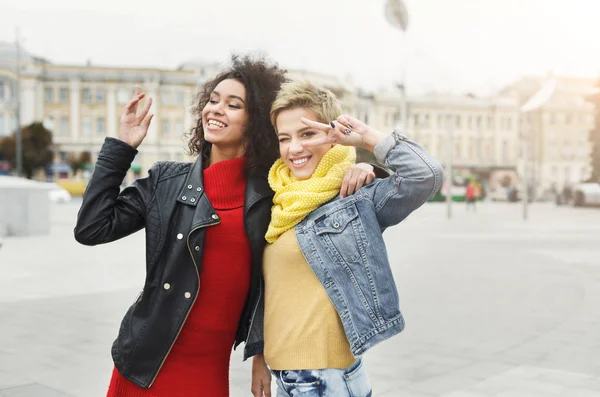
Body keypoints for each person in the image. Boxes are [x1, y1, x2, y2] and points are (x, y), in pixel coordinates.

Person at [73, 56, 377, 397]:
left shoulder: (274, 192)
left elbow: (270, 282)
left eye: (233, 105)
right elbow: (91, 228)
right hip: (144, 365)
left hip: (207, 372)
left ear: (256, 122)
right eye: (213, 100)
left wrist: (360, 169)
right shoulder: (166, 182)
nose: (215, 110)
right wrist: (123, 147)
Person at [250, 80, 444, 397]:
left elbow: (426, 175)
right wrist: (260, 357)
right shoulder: (277, 201)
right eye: (285, 138)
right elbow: (273, 296)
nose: (294, 148)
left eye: (307, 134)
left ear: (333, 134)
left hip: (325, 379)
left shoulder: (354, 197)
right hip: (286, 377)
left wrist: (366, 140)